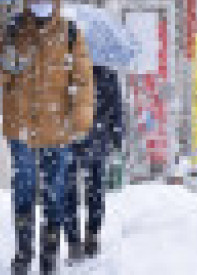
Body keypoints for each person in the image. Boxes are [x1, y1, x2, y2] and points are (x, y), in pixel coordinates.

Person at [0, 0, 93, 275]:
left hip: (58, 130)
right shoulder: (13, 31)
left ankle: (49, 254)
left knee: (54, 193)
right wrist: (4, 59)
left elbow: (83, 81)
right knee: (24, 191)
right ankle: (22, 253)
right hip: (20, 129)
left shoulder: (70, 34)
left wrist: (80, 120)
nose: (38, 1)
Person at [64, 65, 125, 263]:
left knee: (69, 190)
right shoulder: (108, 71)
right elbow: (116, 107)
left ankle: (74, 240)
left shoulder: (67, 65)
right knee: (95, 189)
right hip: (97, 139)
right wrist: (116, 137)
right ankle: (92, 235)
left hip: (70, 137)